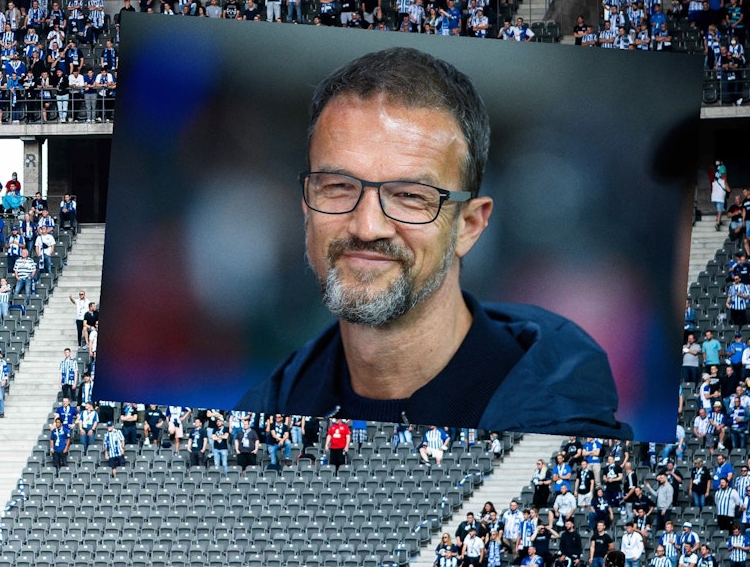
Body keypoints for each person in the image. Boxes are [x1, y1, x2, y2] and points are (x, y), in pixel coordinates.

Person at [236, 47, 631, 440]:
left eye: (410, 196)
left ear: (470, 225)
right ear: (307, 204)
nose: (367, 226)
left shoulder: (560, 428)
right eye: (338, 187)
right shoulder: (260, 419)